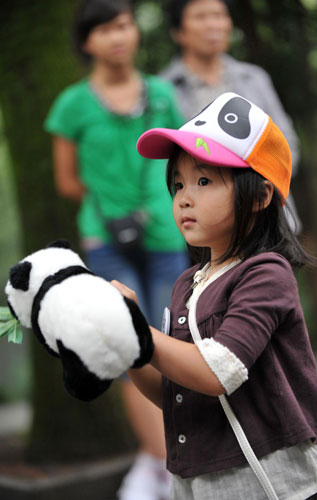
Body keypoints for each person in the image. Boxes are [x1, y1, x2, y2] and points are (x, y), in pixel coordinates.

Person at [111, 92, 317, 500]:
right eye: (177, 183)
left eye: (204, 180)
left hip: (281, 487)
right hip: (203, 485)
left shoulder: (266, 273)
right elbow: (172, 391)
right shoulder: (186, 284)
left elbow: (217, 372)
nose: (184, 197)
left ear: (261, 195)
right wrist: (126, 341)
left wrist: (141, 330)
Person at [44, 1, 189, 499]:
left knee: (174, 339)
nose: (118, 36)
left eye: (124, 24)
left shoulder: (165, 93)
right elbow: (66, 181)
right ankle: (167, 467)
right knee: (130, 347)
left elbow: (181, 159)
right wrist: (114, 204)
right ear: (87, 42)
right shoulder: (71, 105)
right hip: (106, 239)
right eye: (104, 29)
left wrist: (151, 205)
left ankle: (171, 461)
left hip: (166, 234)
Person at [161, 0, 301, 233]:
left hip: (263, 222)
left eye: (219, 15)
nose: (213, 24)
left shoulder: (254, 79)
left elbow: (286, 144)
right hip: (197, 229)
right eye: (201, 17)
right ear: (179, 32)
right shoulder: (164, 88)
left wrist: (250, 191)